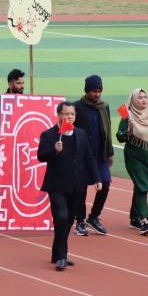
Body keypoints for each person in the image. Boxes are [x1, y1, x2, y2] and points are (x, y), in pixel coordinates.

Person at [38, 102, 101, 271]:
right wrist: (54, 150)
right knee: (61, 217)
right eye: (66, 114)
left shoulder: (81, 134)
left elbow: (89, 158)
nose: (69, 117)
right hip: (56, 185)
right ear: (59, 115)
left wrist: (97, 178)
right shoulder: (49, 135)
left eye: (72, 114)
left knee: (68, 221)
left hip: (76, 186)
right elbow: (41, 156)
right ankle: (62, 256)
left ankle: (56, 252)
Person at [116, 89, 148, 235]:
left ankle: (134, 218)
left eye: (145, 97)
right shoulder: (128, 115)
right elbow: (119, 137)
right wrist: (129, 132)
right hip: (134, 156)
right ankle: (144, 221)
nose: (143, 100)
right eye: (140, 97)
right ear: (133, 100)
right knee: (142, 186)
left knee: (140, 186)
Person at [73, 75, 113, 236]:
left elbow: (108, 130)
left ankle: (94, 217)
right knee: (80, 190)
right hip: (82, 155)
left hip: (100, 154)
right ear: (86, 90)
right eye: (94, 91)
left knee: (105, 184)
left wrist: (110, 153)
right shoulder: (77, 107)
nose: (97, 94)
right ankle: (80, 221)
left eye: (99, 91)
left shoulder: (104, 107)